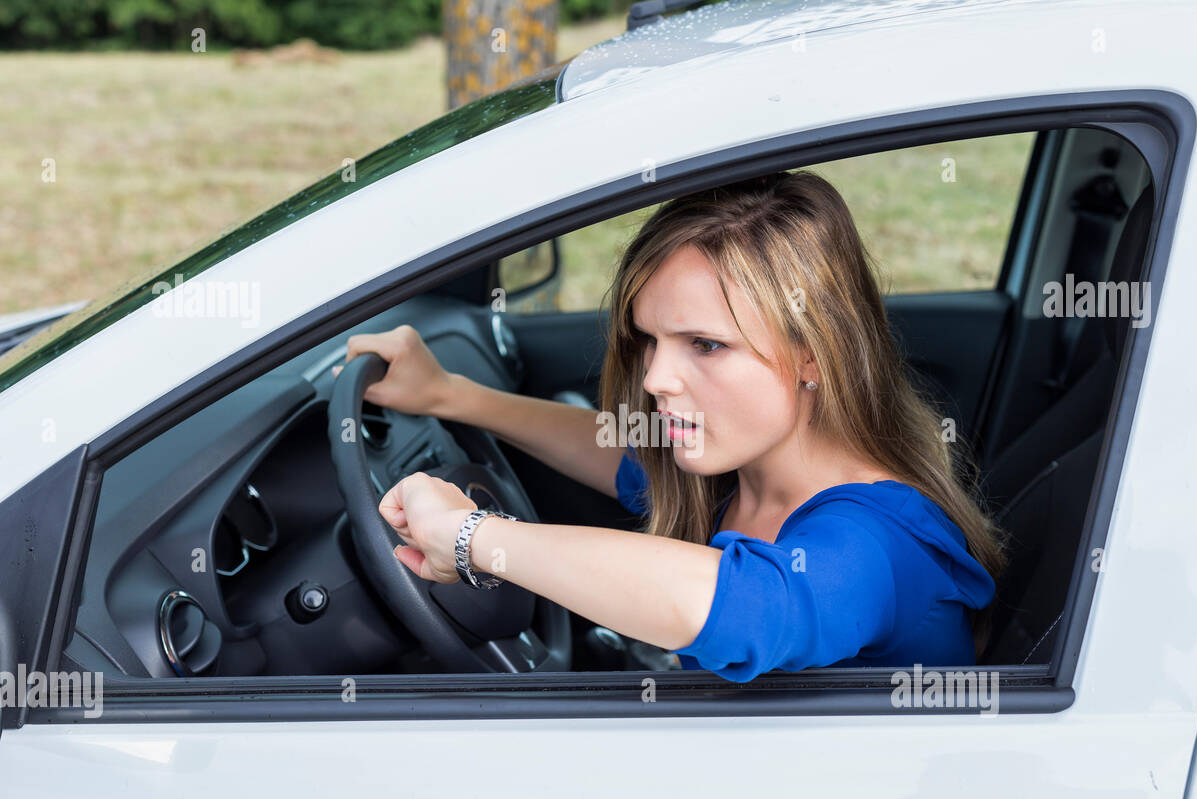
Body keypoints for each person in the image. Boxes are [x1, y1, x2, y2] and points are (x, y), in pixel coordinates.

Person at [335, 171, 1006, 682]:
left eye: (705, 346)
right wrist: (453, 396)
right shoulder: (737, 475)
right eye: (649, 340)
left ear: (813, 356)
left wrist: (473, 538)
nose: (655, 378)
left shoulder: (876, 542)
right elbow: (617, 451)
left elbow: (741, 608)